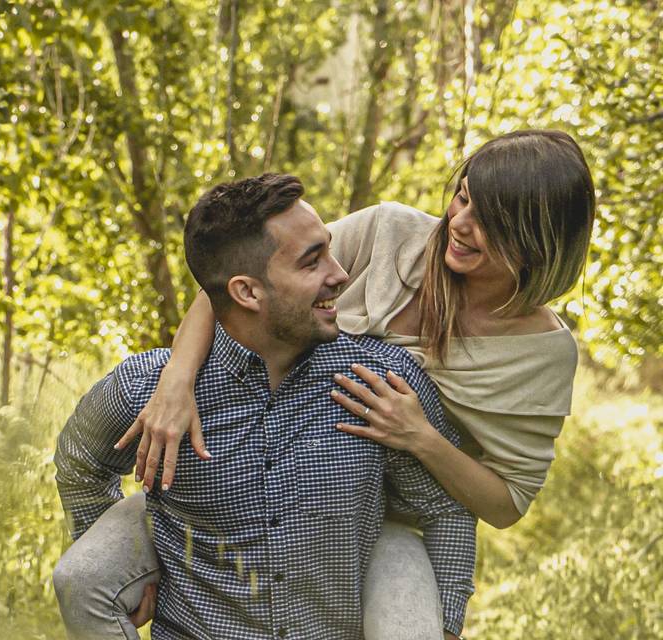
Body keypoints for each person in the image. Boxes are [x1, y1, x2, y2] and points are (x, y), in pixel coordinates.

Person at [104, 128, 596, 637]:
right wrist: (175, 383)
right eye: (463, 197)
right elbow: (236, 281)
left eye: (489, 221)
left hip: (391, 519)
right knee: (84, 579)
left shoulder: (542, 355)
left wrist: (419, 438)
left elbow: (506, 502)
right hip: (257, 486)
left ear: (540, 239)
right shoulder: (389, 234)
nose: (459, 222)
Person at [53, 174, 476, 640]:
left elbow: (444, 509)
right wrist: (129, 571)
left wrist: (449, 624)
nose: (341, 274)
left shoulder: (380, 384)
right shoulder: (149, 391)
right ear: (247, 292)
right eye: (312, 262)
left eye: (330, 251)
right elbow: (79, 462)